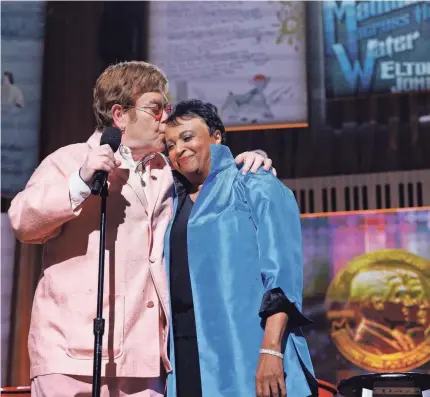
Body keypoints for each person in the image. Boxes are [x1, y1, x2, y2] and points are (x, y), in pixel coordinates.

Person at [8, 61, 274, 397]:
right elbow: (21, 221)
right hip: (70, 356)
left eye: (168, 107)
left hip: (145, 359)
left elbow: (213, 176)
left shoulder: (168, 171)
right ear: (119, 115)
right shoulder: (70, 160)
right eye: (155, 108)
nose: (166, 117)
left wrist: (252, 159)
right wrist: (81, 181)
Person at [163, 99, 318, 397]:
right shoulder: (170, 202)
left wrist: (271, 351)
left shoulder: (254, 182)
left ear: (216, 136)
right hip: (187, 353)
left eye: (187, 137)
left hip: (248, 346)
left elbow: (282, 277)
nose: (178, 150)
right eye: (169, 145)